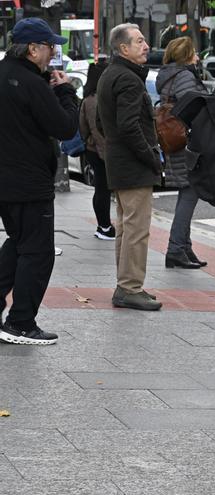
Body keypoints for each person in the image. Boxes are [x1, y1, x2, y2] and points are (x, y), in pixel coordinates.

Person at [0, 18, 78, 345]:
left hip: (5, 181)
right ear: (33, 49)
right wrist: (64, 91)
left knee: (18, 243)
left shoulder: (5, 75)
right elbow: (65, 127)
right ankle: (20, 323)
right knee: (38, 252)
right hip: (29, 182)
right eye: (49, 47)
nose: (53, 53)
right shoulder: (32, 84)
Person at [97, 23, 163, 312]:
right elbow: (128, 126)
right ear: (124, 48)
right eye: (138, 41)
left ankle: (127, 284)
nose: (146, 45)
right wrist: (151, 155)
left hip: (119, 164)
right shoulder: (128, 79)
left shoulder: (110, 74)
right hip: (133, 166)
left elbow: (103, 123)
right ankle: (129, 288)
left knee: (125, 228)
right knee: (136, 229)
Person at [157, 36, 209, 269]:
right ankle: (176, 249)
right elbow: (194, 107)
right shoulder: (185, 76)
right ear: (187, 55)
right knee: (189, 193)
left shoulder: (167, 74)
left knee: (186, 193)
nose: (197, 56)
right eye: (194, 52)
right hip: (186, 141)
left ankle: (184, 248)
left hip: (174, 141)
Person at [80, 59, 114, 241]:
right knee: (103, 189)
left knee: (100, 189)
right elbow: (98, 129)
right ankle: (104, 226)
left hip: (92, 149)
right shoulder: (98, 100)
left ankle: (103, 225)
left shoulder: (88, 99)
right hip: (102, 151)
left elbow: (83, 128)